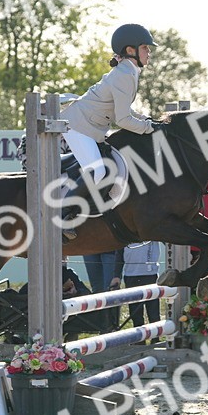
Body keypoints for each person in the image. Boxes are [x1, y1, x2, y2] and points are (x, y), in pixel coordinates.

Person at [60, 23, 162, 240]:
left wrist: (149, 120)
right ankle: (62, 214)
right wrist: (149, 128)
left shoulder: (128, 71)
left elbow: (122, 113)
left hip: (90, 127)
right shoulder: (125, 74)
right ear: (130, 50)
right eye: (145, 47)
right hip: (77, 126)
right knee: (98, 172)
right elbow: (123, 119)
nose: (149, 52)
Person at [116, 241, 161, 327]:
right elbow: (119, 254)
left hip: (150, 275)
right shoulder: (126, 231)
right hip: (131, 275)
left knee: (153, 311)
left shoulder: (153, 229)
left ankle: (156, 338)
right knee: (135, 313)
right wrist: (116, 275)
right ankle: (140, 338)